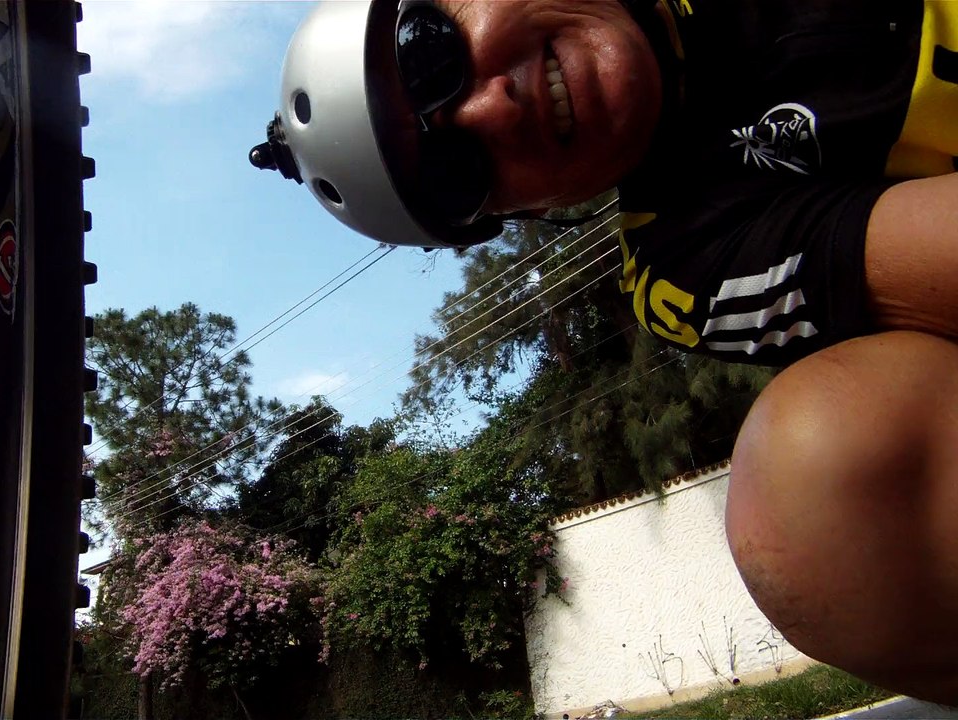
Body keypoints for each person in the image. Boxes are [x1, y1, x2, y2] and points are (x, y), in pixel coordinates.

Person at [249, 0, 958, 704]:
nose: (496, 110)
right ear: (521, 212)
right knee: (807, 485)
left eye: (430, 51)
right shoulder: (682, 263)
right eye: (454, 172)